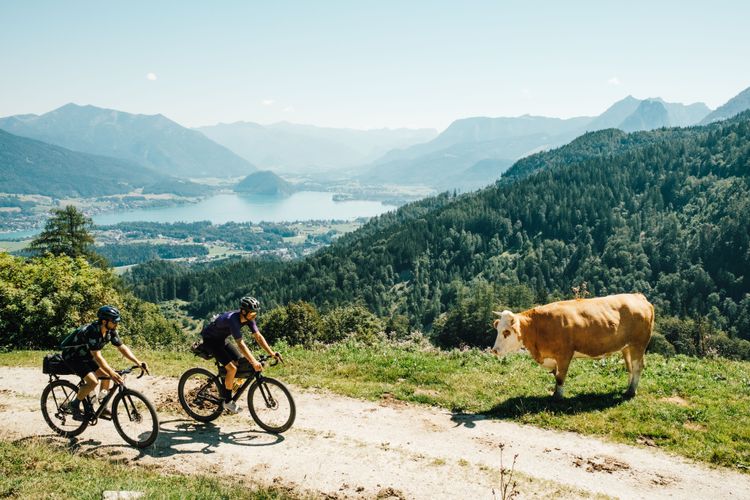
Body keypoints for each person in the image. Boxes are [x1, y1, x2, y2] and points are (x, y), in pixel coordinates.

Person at [61, 305, 149, 420]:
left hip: (86, 356)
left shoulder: (110, 331)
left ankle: (102, 408)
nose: (116, 324)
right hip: (72, 357)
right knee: (93, 382)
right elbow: (97, 356)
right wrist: (112, 372)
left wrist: (138, 362)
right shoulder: (92, 331)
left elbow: (122, 347)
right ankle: (74, 405)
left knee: (107, 376)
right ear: (104, 321)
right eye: (114, 321)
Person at [200, 296, 282, 413]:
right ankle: (228, 401)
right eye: (252, 313)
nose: (254, 316)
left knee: (241, 362)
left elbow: (258, 337)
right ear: (243, 311)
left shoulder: (249, 319)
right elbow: (241, 344)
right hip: (211, 341)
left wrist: (271, 353)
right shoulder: (232, 320)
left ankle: (227, 386)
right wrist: (254, 362)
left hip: (222, 340)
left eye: (255, 313)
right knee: (232, 369)